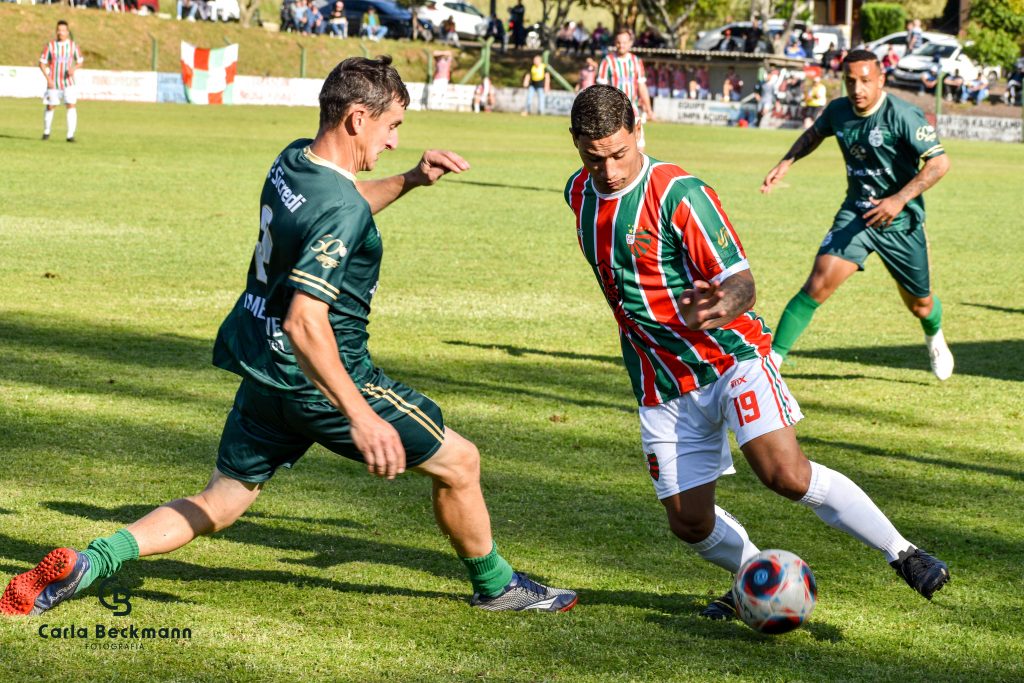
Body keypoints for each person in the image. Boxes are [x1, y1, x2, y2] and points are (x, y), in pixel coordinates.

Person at [0, 56, 578, 619]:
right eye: (392, 126)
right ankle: (497, 586)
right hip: (325, 377)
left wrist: (407, 181)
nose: (396, 141)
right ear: (356, 117)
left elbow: (339, 209)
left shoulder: (293, 161)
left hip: (266, 371)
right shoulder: (341, 209)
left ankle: (93, 559)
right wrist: (360, 413)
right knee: (461, 462)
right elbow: (308, 317)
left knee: (219, 503)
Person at [564, 84, 950, 621]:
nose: (607, 170)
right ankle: (755, 575)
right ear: (578, 147)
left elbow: (742, 282)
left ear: (637, 132)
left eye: (618, 154)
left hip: (730, 359)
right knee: (689, 523)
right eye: (593, 157)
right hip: (661, 381)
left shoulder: (680, 193)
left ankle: (902, 552)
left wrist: (722, 305)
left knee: (784, 474)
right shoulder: (577, 193)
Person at [760, 50, 954, 380]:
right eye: (851, 81)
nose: (857, 89)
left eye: (865, 81)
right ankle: (769, 366)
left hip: (900, 222)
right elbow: (814, 133)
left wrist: (899, 199)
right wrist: (787, 161)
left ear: (881, 80)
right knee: (817, 284)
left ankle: (934, 335)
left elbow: (939, 163)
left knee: (919, 304)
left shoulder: (902, 115)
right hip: (857, 214)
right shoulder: (839, 110)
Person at [597, 29, 654, 149]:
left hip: (632, 109)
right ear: (615, 43)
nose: (621, 45)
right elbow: (600, 89)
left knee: (639, 146)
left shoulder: (636, 61)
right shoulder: (607, 61)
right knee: (614, 147)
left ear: (630, 43)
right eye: (618, 42)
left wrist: (649, 109)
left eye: (624, 42)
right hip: (613, 110)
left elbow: (642, 86)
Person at [39, 20, 83, 143]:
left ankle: (70, 135)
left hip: (68, 82)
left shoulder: (73, 46)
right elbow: (41, 63)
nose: (60, 32)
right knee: (50, 106)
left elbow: (80, 61)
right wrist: (48, 79)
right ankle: (46, 132)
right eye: (58, 30)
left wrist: (73, 69)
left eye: (63, 30)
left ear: (67, 32)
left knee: (71, 105)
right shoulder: (50, 46)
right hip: (53, 82)